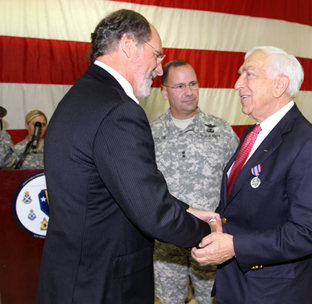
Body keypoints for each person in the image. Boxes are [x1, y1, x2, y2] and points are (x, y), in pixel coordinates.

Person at [37, 9, 220, 304]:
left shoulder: (79, 97)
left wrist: (186, 212)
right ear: (128, 44)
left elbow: (121, 192)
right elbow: (151, 210)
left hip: (73, 276)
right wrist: (207, 234)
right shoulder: (118, 110)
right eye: (157, 55)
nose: (159, 69)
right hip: (104, 284)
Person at [191, 46, 312, 303]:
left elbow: (310, 232)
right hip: (236, 285)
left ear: (279, 85)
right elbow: (243, 203)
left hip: (272, 292)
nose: (237, 84)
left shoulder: (307, 144)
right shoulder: (252, 134)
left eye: (249, 75)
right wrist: (215, 220)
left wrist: (235, 246)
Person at [151, 59, 239, 304]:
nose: (188, 92)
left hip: (210, 238)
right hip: (166, 242)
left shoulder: (221, 132)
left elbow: (237, 185)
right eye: (179, 86)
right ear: (164, 92)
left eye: (193, 83)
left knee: (214, 300)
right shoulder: (150, 134)